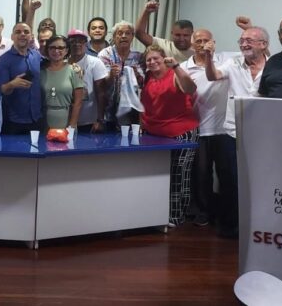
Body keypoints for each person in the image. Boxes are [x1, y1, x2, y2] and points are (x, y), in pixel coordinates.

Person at [140, 44, 199, 227]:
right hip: (154, 133)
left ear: (164, 57)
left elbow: (190, 88)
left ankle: (175, 216)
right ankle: (156, 213)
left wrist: (176, 67)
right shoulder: (148, 76)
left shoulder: (175, 74)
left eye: (156, 58)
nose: (152, 62)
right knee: (158, 174)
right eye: (149, 60)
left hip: (181, 132)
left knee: (178, 174)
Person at [183, 29, 235, 235]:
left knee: (226, 173)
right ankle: (203, 212)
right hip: (200, 126)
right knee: (202, 173)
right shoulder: (185, 67)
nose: (203, 44)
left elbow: (257, 50)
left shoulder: (226, 60)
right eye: (198, 41)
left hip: (225, 128)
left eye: (206, 41)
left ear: (213, 42)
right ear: (192, 44)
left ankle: (226, 213)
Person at [0, 23, 43, 134]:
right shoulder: (3, 60)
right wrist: (12, 84)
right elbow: (2, 90)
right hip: (14, 121)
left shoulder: (36, 56)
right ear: (12, 36)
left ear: (31, 36)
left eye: (26, 32)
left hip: (37, 118)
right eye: (18, 32)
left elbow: (53, 64)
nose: (22, 34)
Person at [98, 21, 144, 130]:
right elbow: (101, 83)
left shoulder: (138, 56)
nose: (123, 36)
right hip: (108, 108)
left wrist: (137, 75)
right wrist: (111, 75)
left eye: (128, 33)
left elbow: (142, 84)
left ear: (132, 36)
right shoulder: (105, 54)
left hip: (131, 111)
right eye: (120, 33)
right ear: (114, 36)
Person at [67, 28, 108, 132]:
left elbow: (101, 93)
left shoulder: (95, 62)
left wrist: (100, 119)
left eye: (81, 41)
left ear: (86, 44)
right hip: (66, 120)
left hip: (89, 121)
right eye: (73, 42)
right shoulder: (63, 63)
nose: (77, 44)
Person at [40, 35, 84, 130]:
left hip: (66, 122)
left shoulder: (74, 71)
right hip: (42, 122)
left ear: (66, 50)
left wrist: (71, 125)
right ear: (47, 49)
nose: (56, 51)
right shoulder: (40, 71)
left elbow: (78, 102)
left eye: (60, 48)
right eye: (52, 47)